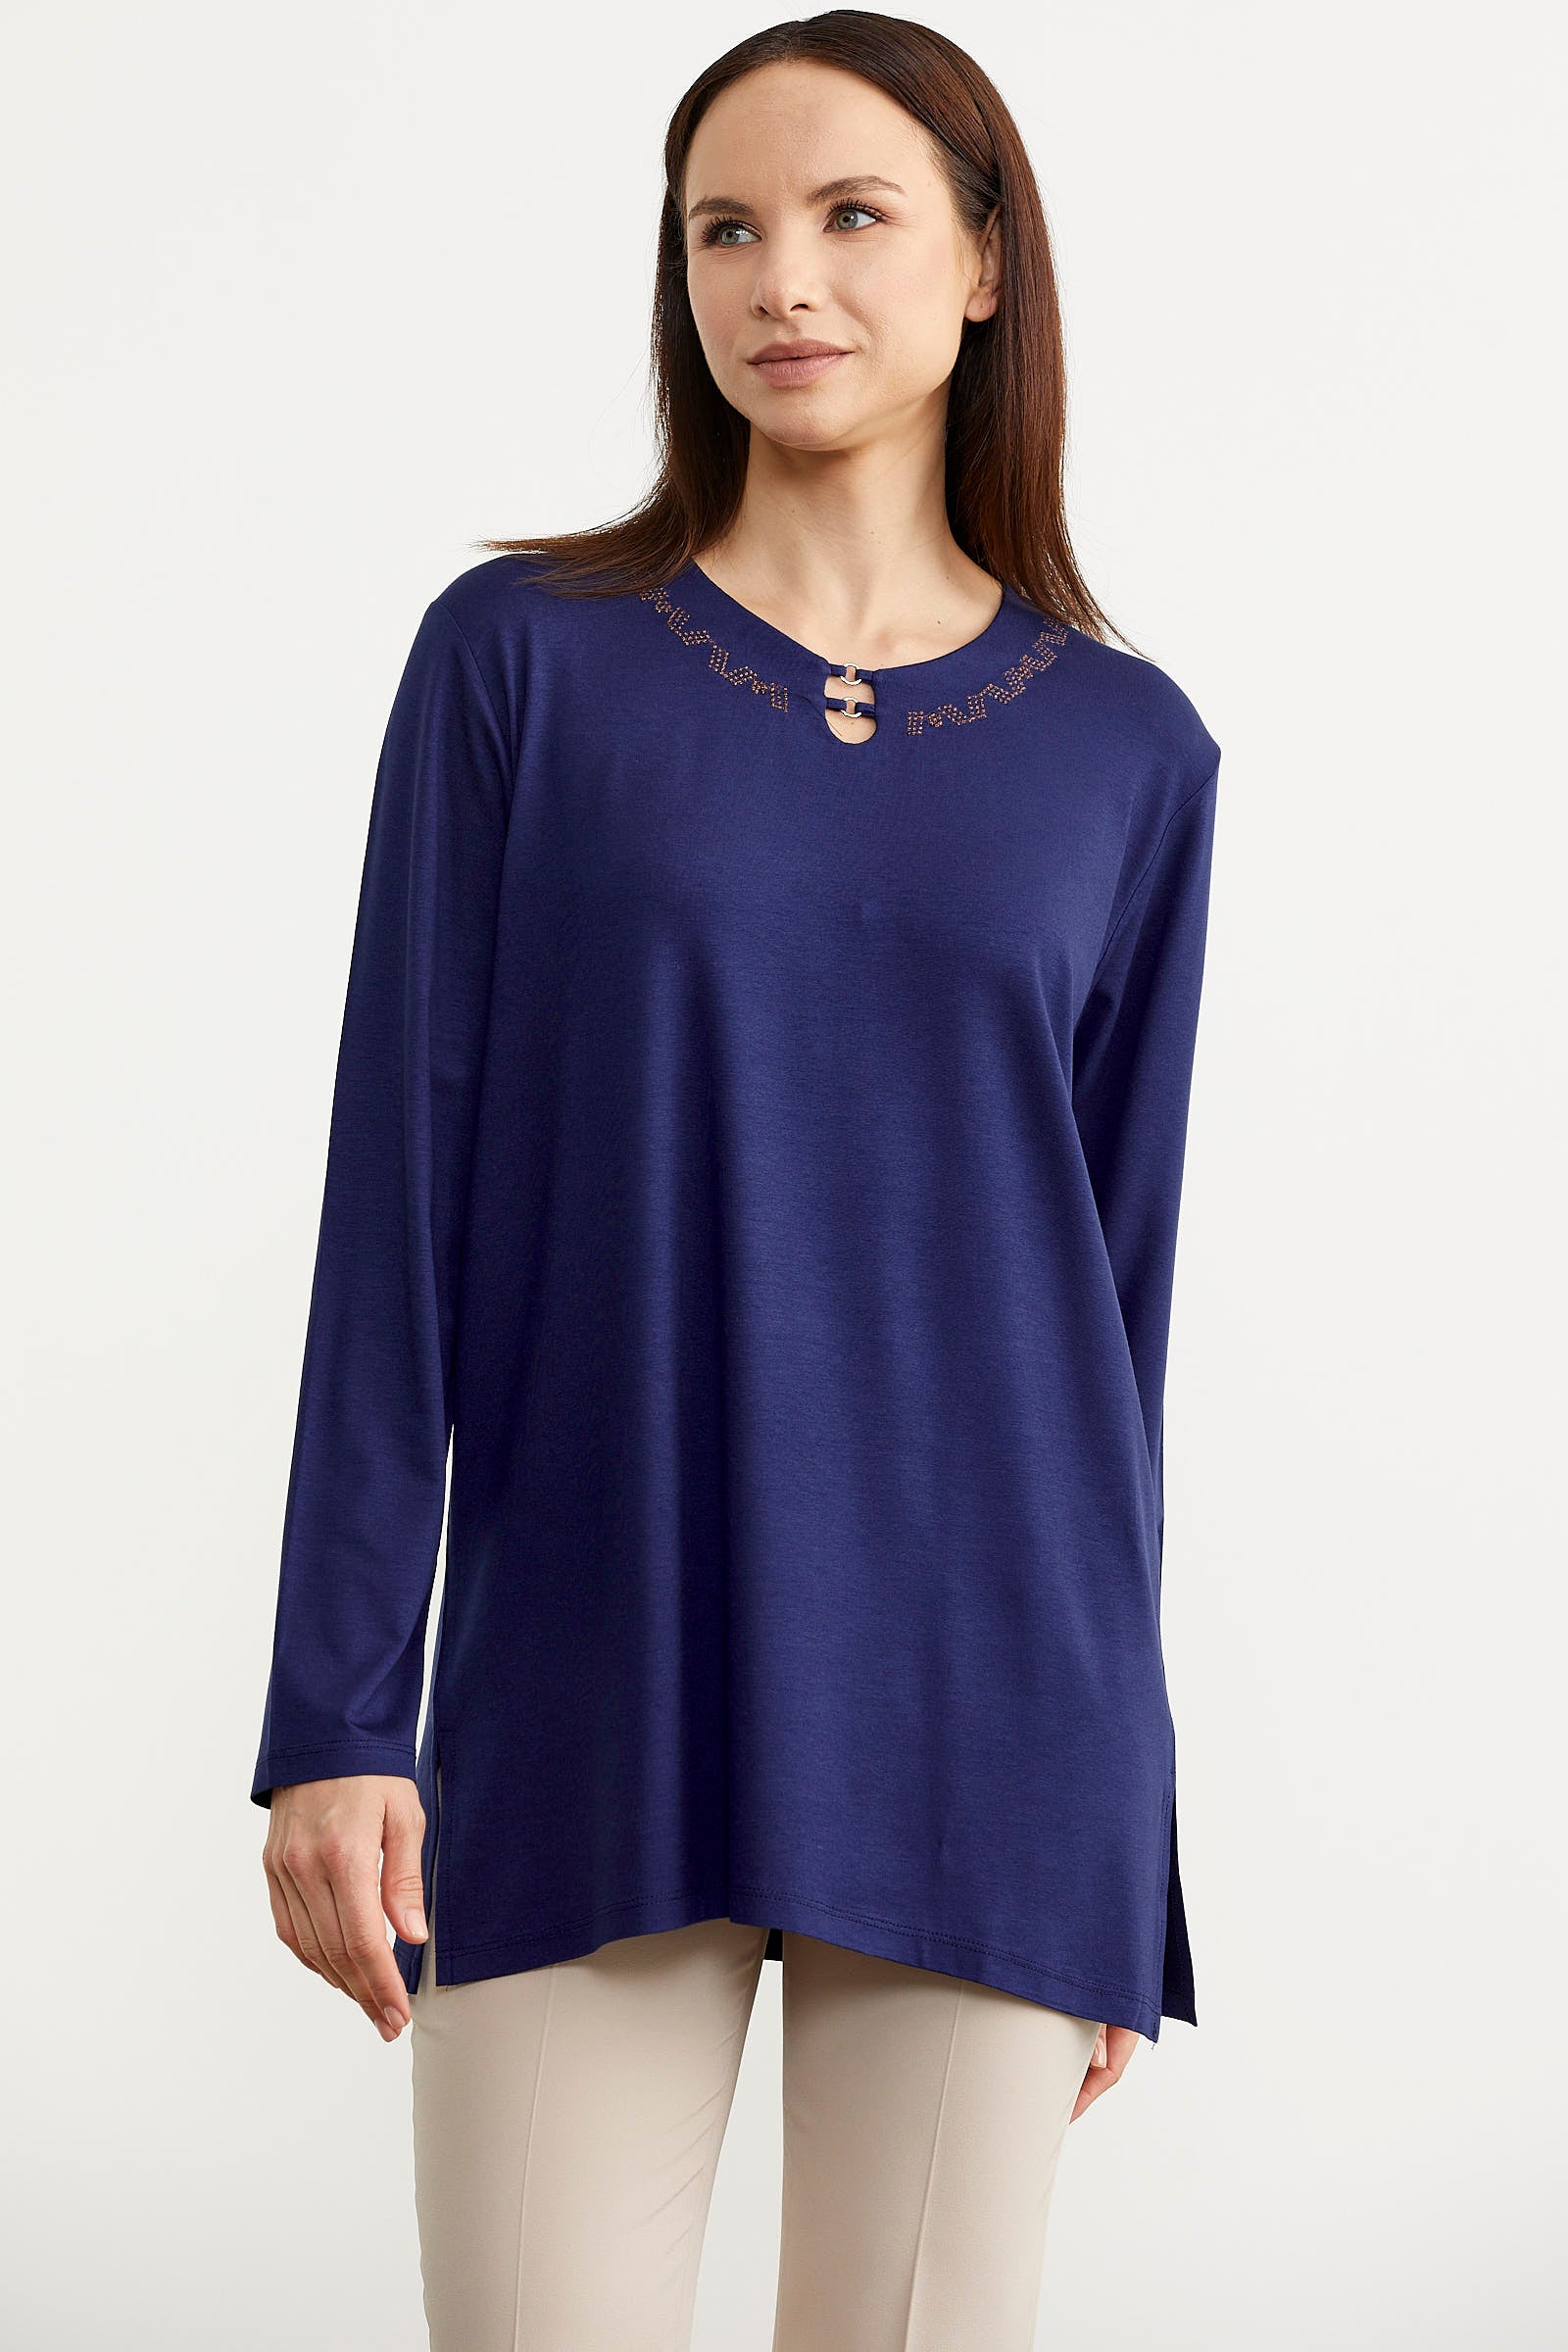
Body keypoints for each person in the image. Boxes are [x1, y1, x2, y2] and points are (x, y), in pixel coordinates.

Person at [250, 13, 1222, 2347]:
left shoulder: (1127, 751)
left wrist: (1125, 1829)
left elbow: (1111, 1314)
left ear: (981, 263)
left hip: (994, 1719)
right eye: (722, 228)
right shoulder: (520, 666)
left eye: (850, 216)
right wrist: (336, 1714)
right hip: (591, 1668)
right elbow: (395, 1205)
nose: (779, 278)